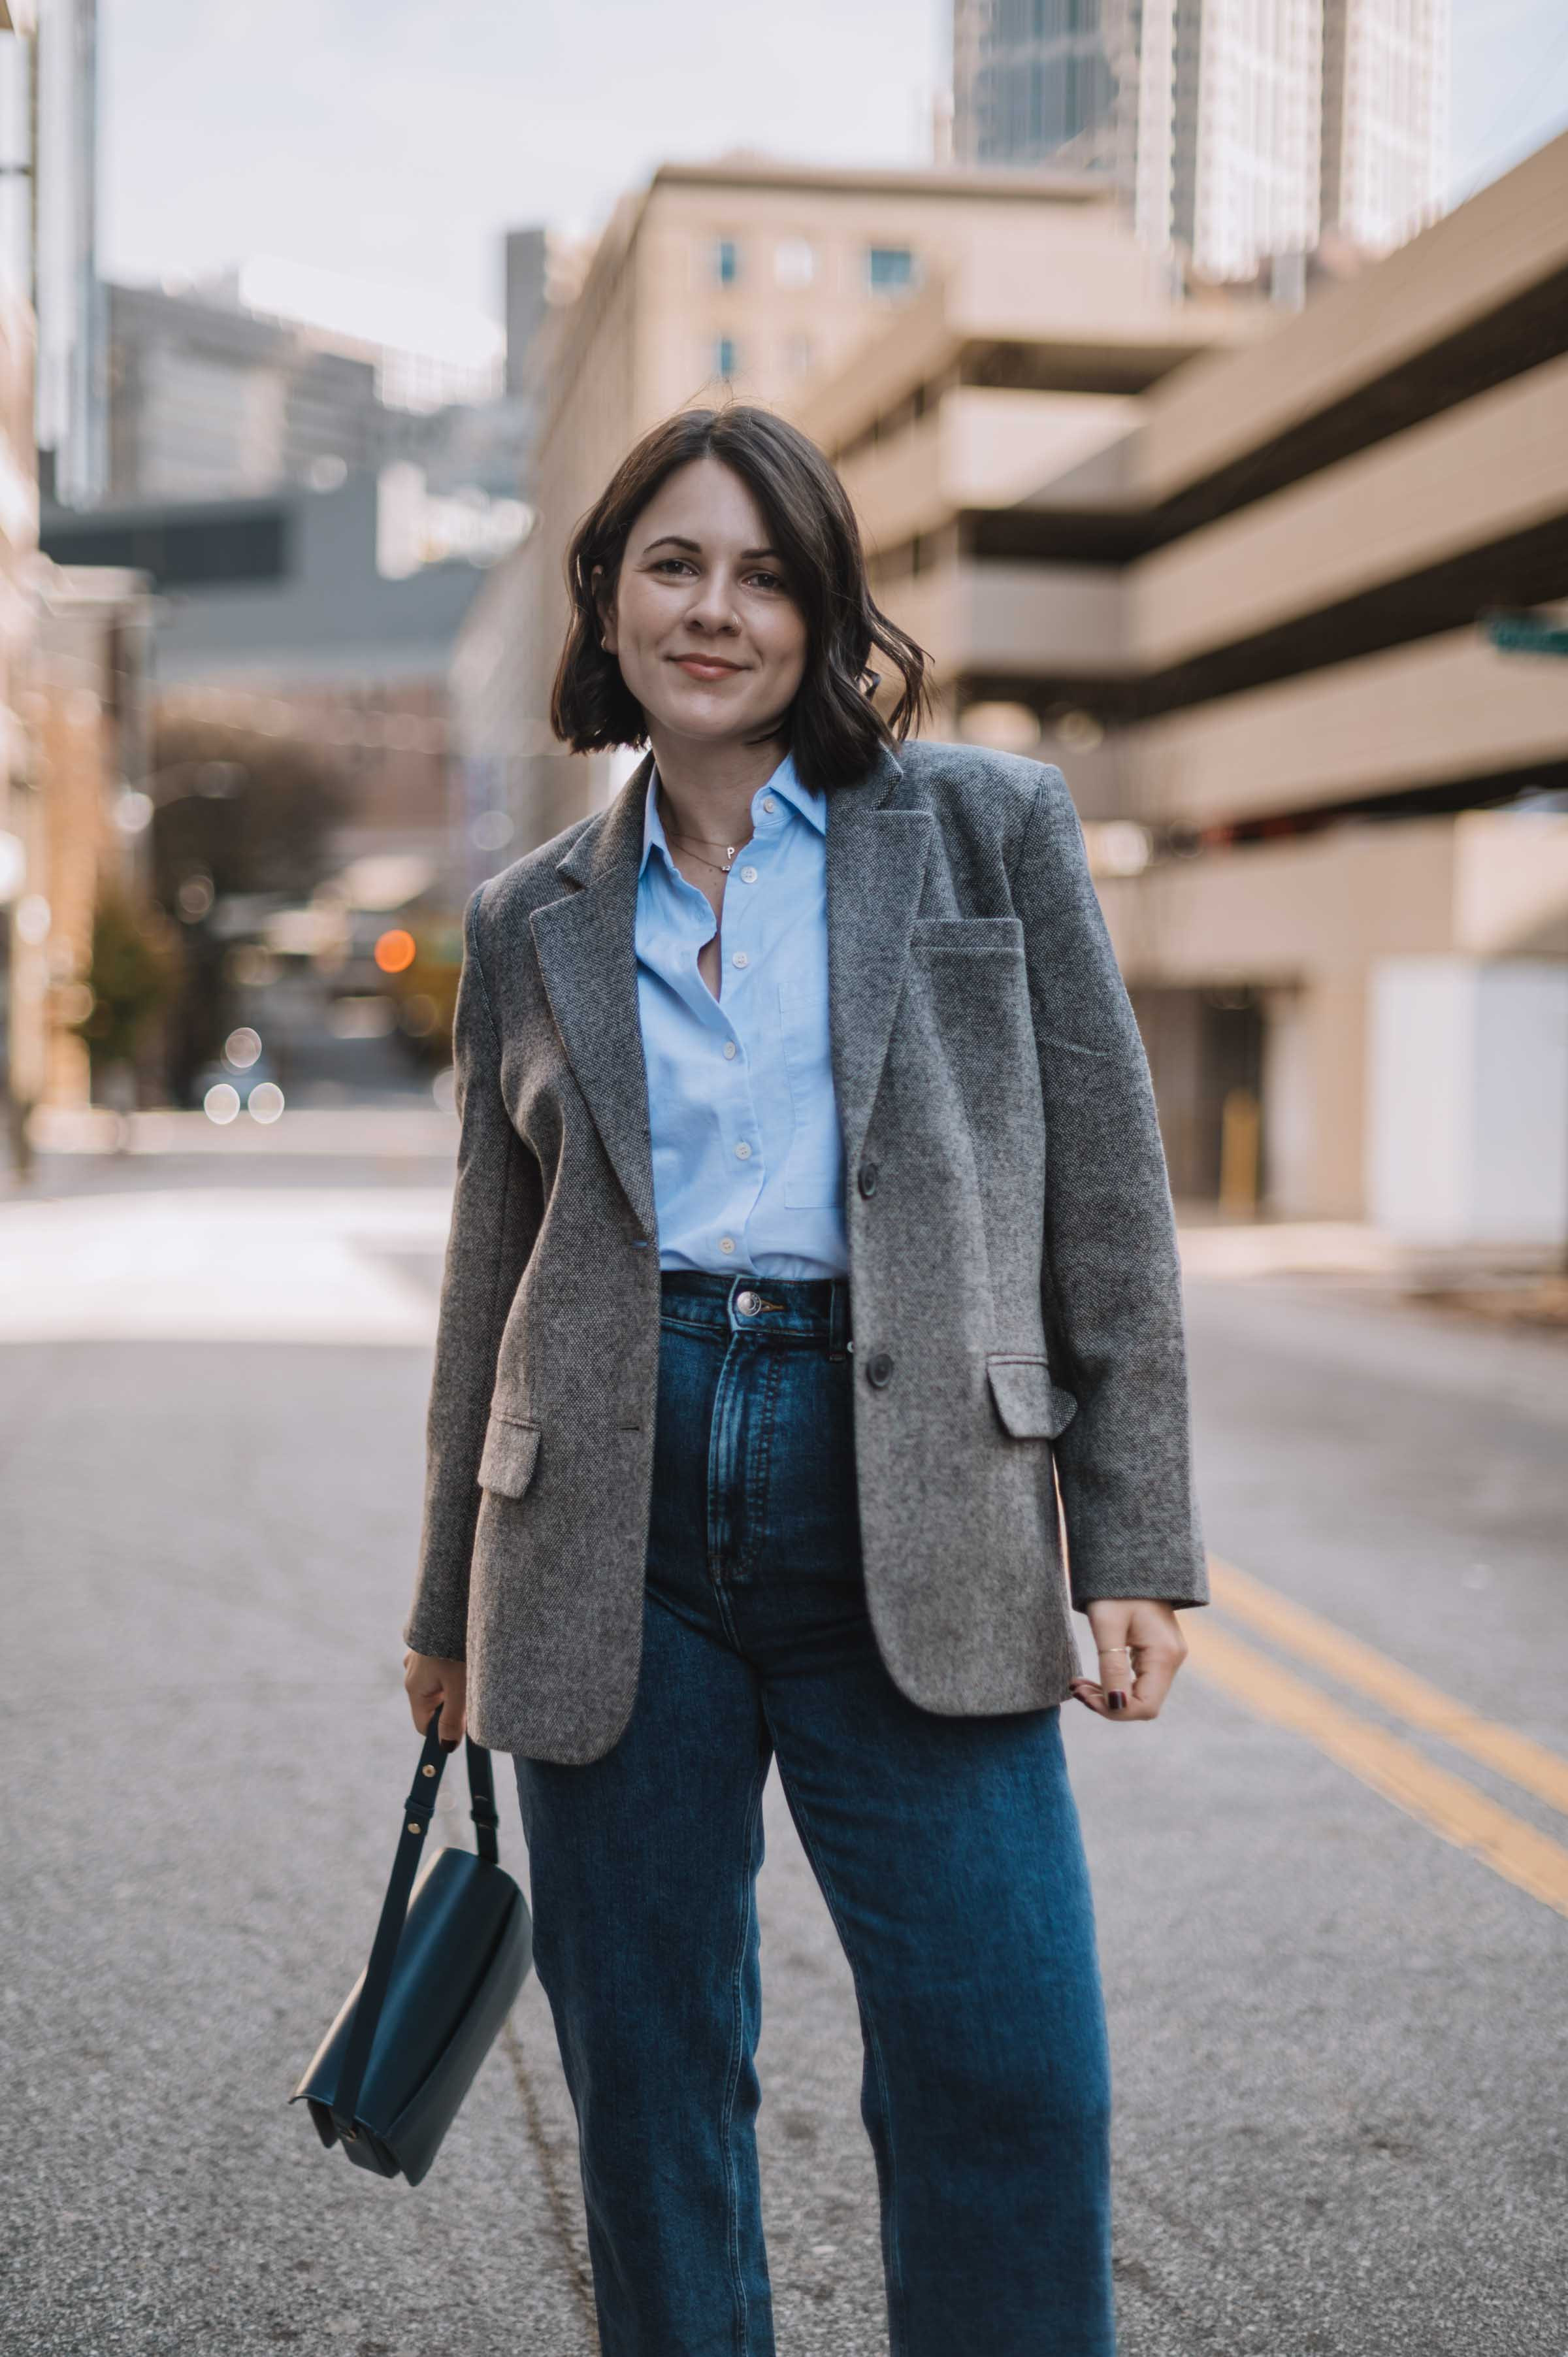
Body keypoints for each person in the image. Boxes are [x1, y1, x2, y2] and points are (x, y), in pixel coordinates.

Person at [401, 403, 1207, 2356]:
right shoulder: (528, 918)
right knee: (651, 2085)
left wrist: (1135, 1541)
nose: (717, 610)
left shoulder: (989, 828)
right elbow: (491, 1276)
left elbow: (1108, 1199)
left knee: (1011, 2070)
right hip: (609, 1516)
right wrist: (444, 1606)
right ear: (608, 597)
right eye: (675, 564)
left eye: (766, 575)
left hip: (913, 1487)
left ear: (825, 611)